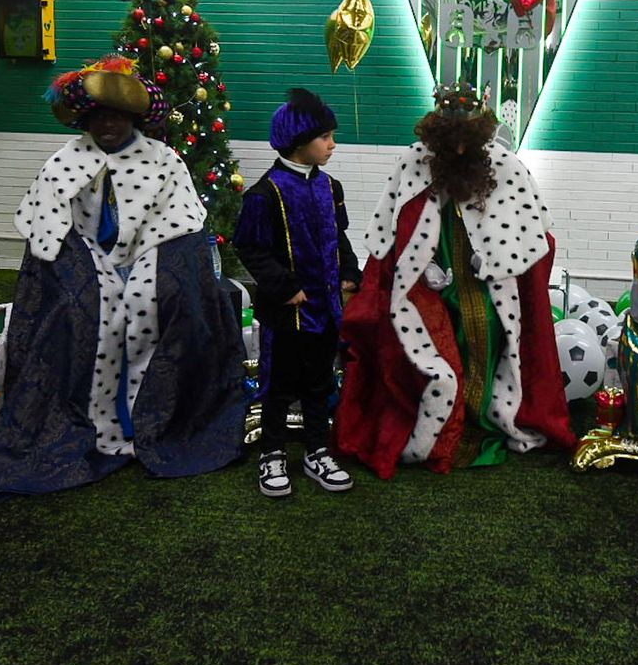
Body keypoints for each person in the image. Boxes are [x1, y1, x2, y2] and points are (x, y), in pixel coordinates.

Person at [0, 56, 247, 497]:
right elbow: (49, 231)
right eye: (100, 116)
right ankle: (92, 426)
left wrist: (145, 275)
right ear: (86, 119)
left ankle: (150, 424)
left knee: (159, 305)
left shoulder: (164, 161)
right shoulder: (64, 162)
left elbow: (178, 227)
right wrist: (93, 276)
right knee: (82, 312)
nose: (108, 125)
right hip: (86, 265)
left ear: (134, 119)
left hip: (147, 261)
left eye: (118, 116)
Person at [335, 82, 574, 478]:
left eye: (467, 142)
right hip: (428, 282)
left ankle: (480, 421)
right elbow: (393, 230)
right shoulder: (415, 162)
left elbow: (534, 233)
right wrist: (422, 264)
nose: (460, 151)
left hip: (487, 282)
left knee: (485, 331)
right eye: (453, 142)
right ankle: (443, 425)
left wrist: (498, 259)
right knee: (434, 347)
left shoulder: (504, 165)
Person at [233, 88, 362, 498]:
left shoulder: (330, 187)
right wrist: (285, 287)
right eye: (325, 137)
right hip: (286, 314)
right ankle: (272, 453)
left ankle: (316, 450)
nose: (332, 144)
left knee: (320, 382)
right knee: (279, 384)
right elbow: (250, 246)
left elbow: (339, 236)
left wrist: (349, 270)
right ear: (298, 140)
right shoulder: (265, 193)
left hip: (326, 311)